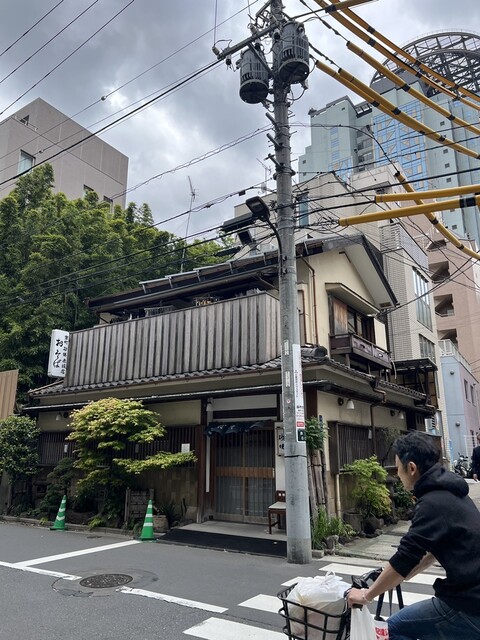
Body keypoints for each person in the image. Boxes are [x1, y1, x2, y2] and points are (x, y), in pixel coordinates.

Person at [347, 430, 480, 639]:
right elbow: (429, 553)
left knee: (391, 630)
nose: (396, 475)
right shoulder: (451, 491)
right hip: (472, 595)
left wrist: (366, 594)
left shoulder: (432, 504)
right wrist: (402, 576)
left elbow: (406, 556)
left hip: (468, 604)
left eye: (398, 468)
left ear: (411, 468)